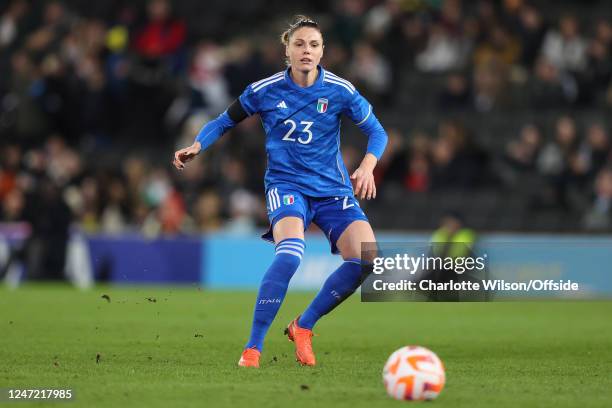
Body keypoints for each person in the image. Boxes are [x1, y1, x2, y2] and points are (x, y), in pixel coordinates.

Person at [173, 15, 388, 368]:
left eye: (314, 45)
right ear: (286, 50)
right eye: (299, 44)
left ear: (322, 52)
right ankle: (253, 349)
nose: (307, 51)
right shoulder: (264, 90)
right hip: (287, 187)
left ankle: (303, 326)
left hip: (333, 190)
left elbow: (378, 132)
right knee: (289, 255)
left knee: (367, 259)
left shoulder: (340, 90)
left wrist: (367, 166)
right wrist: (198, 145)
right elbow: (224, 120)